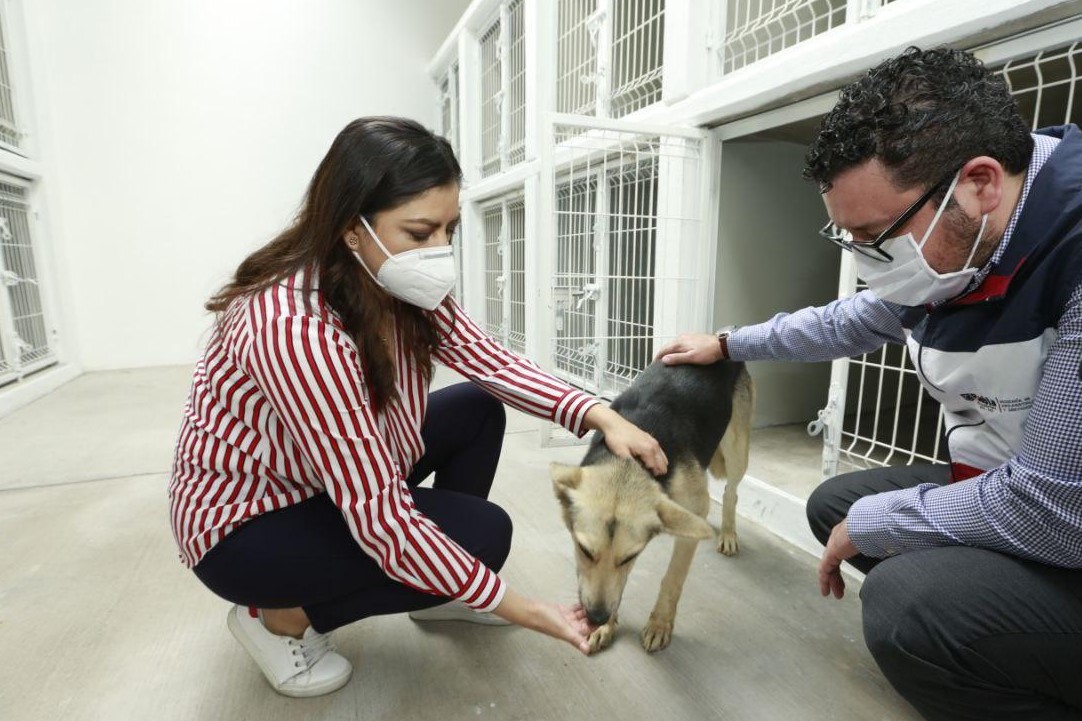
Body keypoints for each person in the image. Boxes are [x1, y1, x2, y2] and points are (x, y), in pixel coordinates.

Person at [168, 116, 668, 698]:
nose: (440, 251)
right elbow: (382, 523)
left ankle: (438, 590)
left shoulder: (394, 279)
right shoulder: (295, 330)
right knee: (484, 537)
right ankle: (281, 619)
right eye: (420, 231)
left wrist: (599, 413)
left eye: (449, 230)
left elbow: (491, 362)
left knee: (477, 406)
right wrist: (526, 611)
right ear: (352, 229)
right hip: (252, 523)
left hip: (322, 474)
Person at [656, 47, 1082, 721]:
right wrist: (729, 342)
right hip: (1004, 479)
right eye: (847, 236)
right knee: (835, 506)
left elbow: (1058, 512)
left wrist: (887, 521)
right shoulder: (965, 243)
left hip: (1065, 522)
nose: (865, 263)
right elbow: (849, 320)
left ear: (979, 183)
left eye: (874, 235)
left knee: (905, 603)